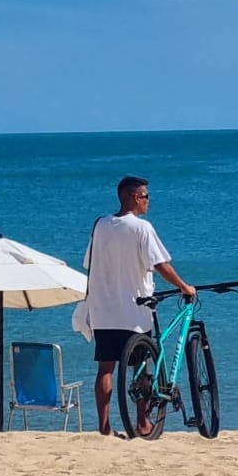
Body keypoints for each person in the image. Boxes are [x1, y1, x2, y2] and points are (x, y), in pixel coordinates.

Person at [74, 176, 196, 437]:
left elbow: (90, 262)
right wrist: (184, 286)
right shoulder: (142, 228)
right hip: (135, 310)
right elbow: (160, 264)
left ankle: (104, 427)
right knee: (141, 367)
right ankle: (141, 422)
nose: (148, 202)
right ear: (133, 197)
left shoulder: (101, 225)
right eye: (145, 196)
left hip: (103, 309)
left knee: (105, 368)